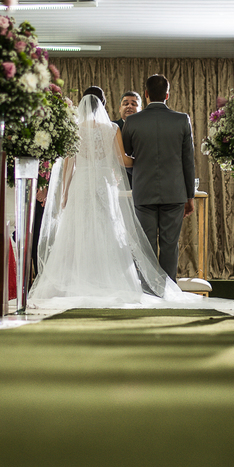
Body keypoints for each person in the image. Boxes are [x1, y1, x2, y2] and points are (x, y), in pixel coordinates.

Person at [27, 87, 199, 309]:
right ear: (104, 105)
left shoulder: (75, 128)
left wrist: (65, 193)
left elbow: (69, 164)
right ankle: (107, 280)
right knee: (106, 229)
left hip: (81, 184)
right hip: (103, 185)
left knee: (78, 231)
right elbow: (125, 161)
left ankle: (75, 281)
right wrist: (146, 159)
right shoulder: (111, 129)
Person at [121, 74, 197, 283]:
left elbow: (126, 152)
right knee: (170, 245)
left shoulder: (133, 121)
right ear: (167, 95)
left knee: (145, 245)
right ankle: (168, 290)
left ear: (145, 94)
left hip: (143, 191)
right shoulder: (182, 120)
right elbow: (188, 161)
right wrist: (189, 196)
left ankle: (148, 290)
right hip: (174, 192)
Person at [114, 89, 141, 186]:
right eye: (125, 104)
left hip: (142, 180)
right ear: (120, 108)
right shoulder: (111, 127)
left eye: (134, 104)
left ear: (141, 109)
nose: (129, 106)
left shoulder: (147, 128)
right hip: (117, 181)